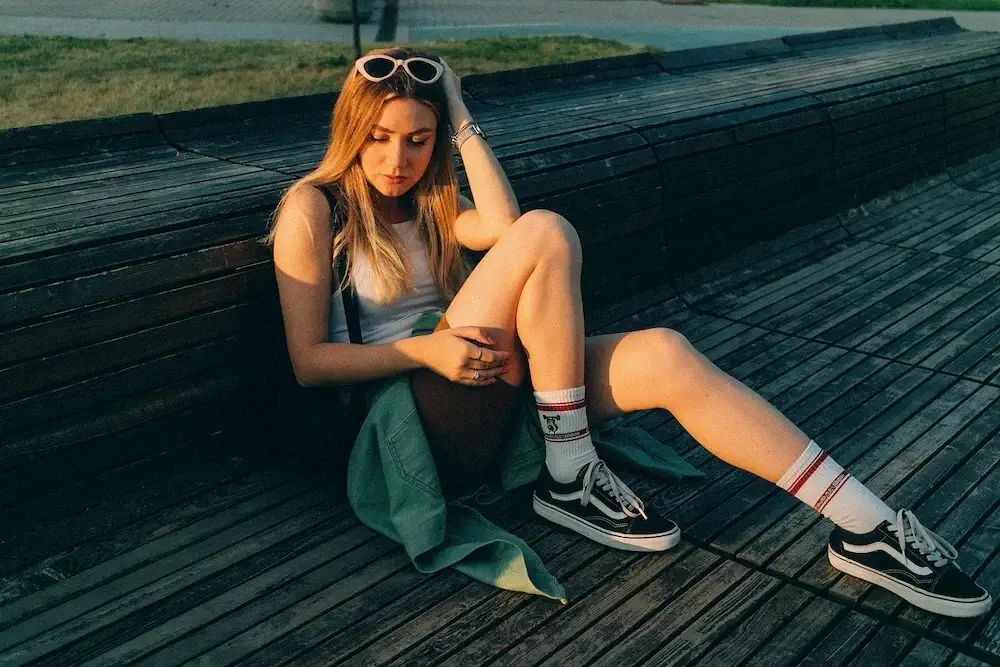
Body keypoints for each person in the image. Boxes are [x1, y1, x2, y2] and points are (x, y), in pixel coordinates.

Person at [263, 46, 992, 618]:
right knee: (548, 231)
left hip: (492, 390)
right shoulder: (314, 207)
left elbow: (509, 229)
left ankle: (867, 526)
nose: (398, 160)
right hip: (412, 425)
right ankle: (571, 471)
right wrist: (425, 349)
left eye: (419, 141)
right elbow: (307, 362)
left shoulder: (431, 206)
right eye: (381, 138)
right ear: (353, 132)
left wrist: (459, 111)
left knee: (667, 354)